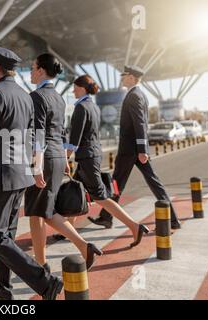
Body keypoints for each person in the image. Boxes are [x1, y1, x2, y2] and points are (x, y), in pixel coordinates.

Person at [0, 44, 63, 300]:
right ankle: (4, 291)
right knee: (6, 236)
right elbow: (33, 137)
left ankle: (45, 282)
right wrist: (34, 168)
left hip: (0, 176)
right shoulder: (25, 95)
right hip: (20, 176)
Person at [26, 53, 103, 272]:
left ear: (41, 70)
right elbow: (60, 131)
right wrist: (63, 158)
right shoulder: (58, 97)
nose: (31, 72)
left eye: (32, 67)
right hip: (57, 156)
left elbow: (38, 134)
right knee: (43, 210)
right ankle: (73, 249)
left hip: (45, 158)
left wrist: (36, 165)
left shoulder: (37, 96)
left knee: (38, 212)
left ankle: (43, 264)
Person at [88, 66, 182, 230]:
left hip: (130, 151)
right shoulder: (138, 95)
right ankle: (172, 219)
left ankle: (106, 217)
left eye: (124, 76)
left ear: (131, 78)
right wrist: (141, 149)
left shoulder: (134, 96)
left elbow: (140, 124)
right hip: (134, 150)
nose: (122, 79)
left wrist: (142, 150)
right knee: (145, 182)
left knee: (118, 183)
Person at [68, 75, 150, 247]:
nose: (73, 90)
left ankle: (134, 226)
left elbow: (74, 140)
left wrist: (64, 157)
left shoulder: (81, 107)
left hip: (87, 158)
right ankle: (68, 230)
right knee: (75, 193)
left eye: (75, 87)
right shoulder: (93, 106)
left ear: (82, 87)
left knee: (101, 198)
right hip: (90, 156)